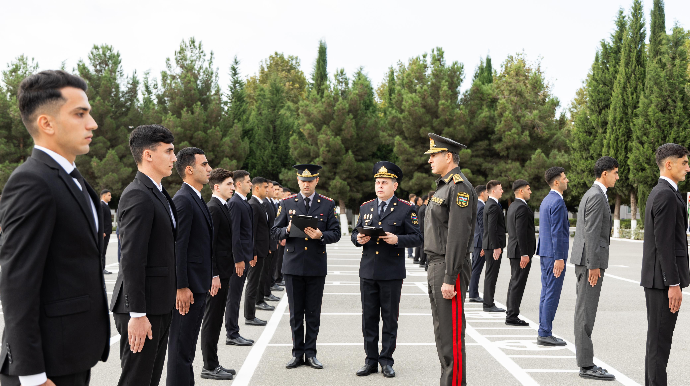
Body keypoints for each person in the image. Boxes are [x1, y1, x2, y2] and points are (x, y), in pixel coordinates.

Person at [0, 70, 110, 386]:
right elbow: (17, 283)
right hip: (45, 367)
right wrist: (32, 375)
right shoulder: (32, 181)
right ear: (47, 123)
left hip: (71, 354)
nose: (93, 124)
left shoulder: (75, 181)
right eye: (80, 114)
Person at [111, 124, 178, 386]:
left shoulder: (158, 192)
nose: (174, 157)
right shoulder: (138, 195)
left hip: (159, 303)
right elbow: (131, 258)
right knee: (136, 380)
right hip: (142, 308)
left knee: (149, 380)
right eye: (169, 151)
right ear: (148, 155)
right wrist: (137, 314)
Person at [352, 162, 423, 378]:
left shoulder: (405, 208)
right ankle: (370, 360)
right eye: (377, 182)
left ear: (395, 185)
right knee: (369, 318)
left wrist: (397, 239)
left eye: (384, 182)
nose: (379, 186)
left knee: (390, 319)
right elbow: (355, 234)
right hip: (368, 271)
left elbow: (418, 237)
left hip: (391, 273)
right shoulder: (366, 207)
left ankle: (386, 360)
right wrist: (359, 238)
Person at [271, 164, 341, 369]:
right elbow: (274, 231)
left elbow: (336, 233)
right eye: (303, 181)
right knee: (295, 313)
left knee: (313, 313)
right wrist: (288, 229)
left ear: (316, 181)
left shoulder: (327, 204)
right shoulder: (287, 203)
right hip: (292, 266)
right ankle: (297, 353)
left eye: (310, 181)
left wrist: (321, 236)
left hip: (316, 266)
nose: (306, 184)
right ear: (298, 181)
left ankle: (311, 353)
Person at [423, 133, 476, 386]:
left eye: (434, 155)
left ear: (448, 156)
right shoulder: (444, 186)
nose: (430, 160)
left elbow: (457, 236)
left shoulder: (459, 187)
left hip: (447, 265)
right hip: (436, 264)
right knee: (442, 335)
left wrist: (449, 277)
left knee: (452, 337)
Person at [642, 143, 690, 386]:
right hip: (663, 282)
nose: (688, 168)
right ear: (669, 164)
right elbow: (665, 244)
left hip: (659, 280)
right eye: (684, 163)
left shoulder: (662, 192)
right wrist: (673, 283)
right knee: (660, 345)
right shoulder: (666, 195)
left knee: (658, 343)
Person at [167, 147, 214, 386]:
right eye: (204, 164)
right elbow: (179, 247)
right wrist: (181, 286)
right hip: (189, 289)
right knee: (180, 349)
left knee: (186, 350)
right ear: (189, 169)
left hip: (198, 284)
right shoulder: (183, 200)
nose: (209, 169)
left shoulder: (196, 197)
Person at [571, 157, 618, 381]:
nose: (617, 177)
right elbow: (591, 232)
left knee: (584, 310)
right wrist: (593, 265)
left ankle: (585, 361)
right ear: (605, 173)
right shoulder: (597, 196)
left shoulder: (593, 193)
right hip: (589, 263)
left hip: (585, 260)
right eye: (615, 173)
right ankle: (586, 365)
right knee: (585, 312)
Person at [200, 168, 236, 380]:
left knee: (216, 319)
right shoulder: (213, 208)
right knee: (212, 320)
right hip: (217, 275)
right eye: (229, 184)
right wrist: (213, 274)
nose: (233, 187)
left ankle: (213, 363)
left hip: (224, 272)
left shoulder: (222, 206)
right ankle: (209, 366)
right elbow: (209, 246)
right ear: (216, 187)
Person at [535, 166, 570, 346]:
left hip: (545, 253)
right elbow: (557, 232)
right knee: (552, 293)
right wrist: (559, 258)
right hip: (553, 256)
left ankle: (543, 329)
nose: (567, 180)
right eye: (564, 178)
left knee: (546, 292)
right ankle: (545, 332)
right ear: (556, 182)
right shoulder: (557, 202)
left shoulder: (547, 200)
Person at [225, 170, 255, 346]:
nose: (250, 184)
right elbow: (234, 234)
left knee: (236, 295)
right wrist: (238, 259)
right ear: (238, 184)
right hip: (239, 259)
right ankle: (232, 333)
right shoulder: (235, 203)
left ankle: (234, 331)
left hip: (244, 256)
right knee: (234, 296)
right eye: (248, 181)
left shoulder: (242, 202)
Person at [245, 177, 275, 327]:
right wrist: (253, 252)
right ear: (257, 188)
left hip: (262, 249)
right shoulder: (253, 205)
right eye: (265, 187)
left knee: (257, 281)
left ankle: (253, 311)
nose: (268, 190)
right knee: (252, 283)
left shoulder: (260, 204)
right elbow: (252, 232)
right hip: (256, 252)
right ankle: (249, 316)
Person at [505, 180, 536, 327]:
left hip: (514, 250)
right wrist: (525, 254)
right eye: (528, 189)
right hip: (520, 252)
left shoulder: (513, 206)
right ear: (521, 191)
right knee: (518, 283)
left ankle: (511, 312)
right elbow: (521, 232)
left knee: (514, 282)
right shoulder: (522, 208)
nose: (531, 191)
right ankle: (512, 315)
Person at [482, 180, 506, 313]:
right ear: (493, 191)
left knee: (491, 274)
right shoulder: (492, 205)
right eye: (500, 189)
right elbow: (491, 228)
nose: (502, 191)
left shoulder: (492, 204)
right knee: (491, 274)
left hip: (491, 245)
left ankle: (488, 302)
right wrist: (496, 246)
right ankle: (488, 303)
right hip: (492, 246)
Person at [259, 180, 281, 303]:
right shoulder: (266, 203)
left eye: (275, 189)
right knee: (265, 272)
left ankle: (268, 291)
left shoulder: (271, 202)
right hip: (267, 243)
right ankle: (265, 294)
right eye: (273, 188)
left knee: (269, 269)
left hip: (272, 241)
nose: (274, 191)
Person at [468, 185, 488, 303]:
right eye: (486, 192)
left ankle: (472, 291)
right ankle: (473, 294)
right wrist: (485, 245)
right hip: (480, 242)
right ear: (481, 193)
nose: (487, 194)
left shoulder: (475, 205)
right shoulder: (481, 207)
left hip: (475, 241)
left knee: (474, 267)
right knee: (476, 268)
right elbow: (482, 228)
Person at [101, 189, 113, 274]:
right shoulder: (101, 205)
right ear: (104, 196)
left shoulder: (106, 205)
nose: (110, 197)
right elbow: (100, 219)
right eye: (109, 195)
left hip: (107, 231)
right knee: (102, 250)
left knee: (104, 250)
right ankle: (101, 268)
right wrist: (102, 231)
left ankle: (102, 267)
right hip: (104, 233)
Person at [407, 193, 418, 259]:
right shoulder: (410, 205)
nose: (415, 199)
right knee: (409, 237)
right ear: (411, 198)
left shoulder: (413, 205)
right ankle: (410, 253)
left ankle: (410, 253)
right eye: (414, 197)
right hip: (410, 223)